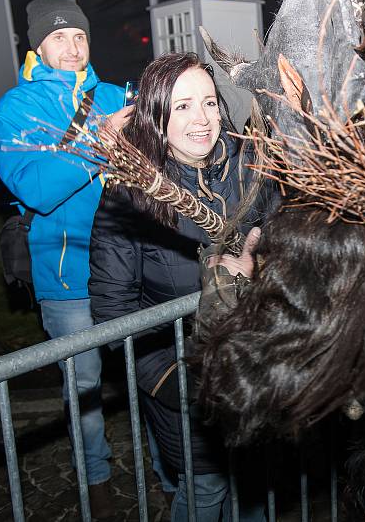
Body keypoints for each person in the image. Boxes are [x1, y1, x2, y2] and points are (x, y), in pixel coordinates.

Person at [88, 51, 273, 522]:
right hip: (185, 382)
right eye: (183, 106)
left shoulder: (250, 171)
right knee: (208, 490)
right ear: (156, 116)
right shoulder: (130, 196)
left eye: (210, 103)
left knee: (255, 491)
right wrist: (176, 383)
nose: (202, 119)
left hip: (256, 370)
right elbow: (113, 312)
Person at [0, 0, 125, 517]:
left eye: (79, 36)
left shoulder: (114, 96)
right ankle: (96, 477)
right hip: (67, 275)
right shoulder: (16, 109)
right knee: (85, 384)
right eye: (59, 37)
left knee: (157, 370)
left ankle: (175, 467)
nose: (72, 47)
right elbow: (38, 188)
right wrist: (101, 143)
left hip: (130, 268)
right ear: (37, 46)